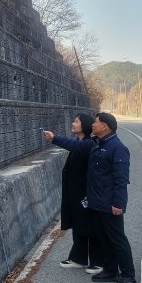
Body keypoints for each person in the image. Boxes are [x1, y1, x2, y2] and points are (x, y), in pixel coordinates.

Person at [44, 112, 136, 283]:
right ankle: (110, 271)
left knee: (117, 240)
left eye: (97, 122)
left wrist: (118, 204)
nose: (93, 125)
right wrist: (55, 138)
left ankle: (128, 276)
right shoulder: (97, 144)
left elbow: (121, 180)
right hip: (97, 203)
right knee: (104, 239)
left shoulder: (117, 148)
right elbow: (75, 145)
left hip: (110, 205)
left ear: (105, 127)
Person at [51, 113, 103, 274]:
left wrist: (54, 138)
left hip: (85, 194)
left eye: (76, 121)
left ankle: (98, 262)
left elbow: (73, 145)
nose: (73, 123)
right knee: (79, 226)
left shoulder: (88, 143)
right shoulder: (80, 142)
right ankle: (78, 259)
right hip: (76, 193)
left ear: (84, 125)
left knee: (90, 227)